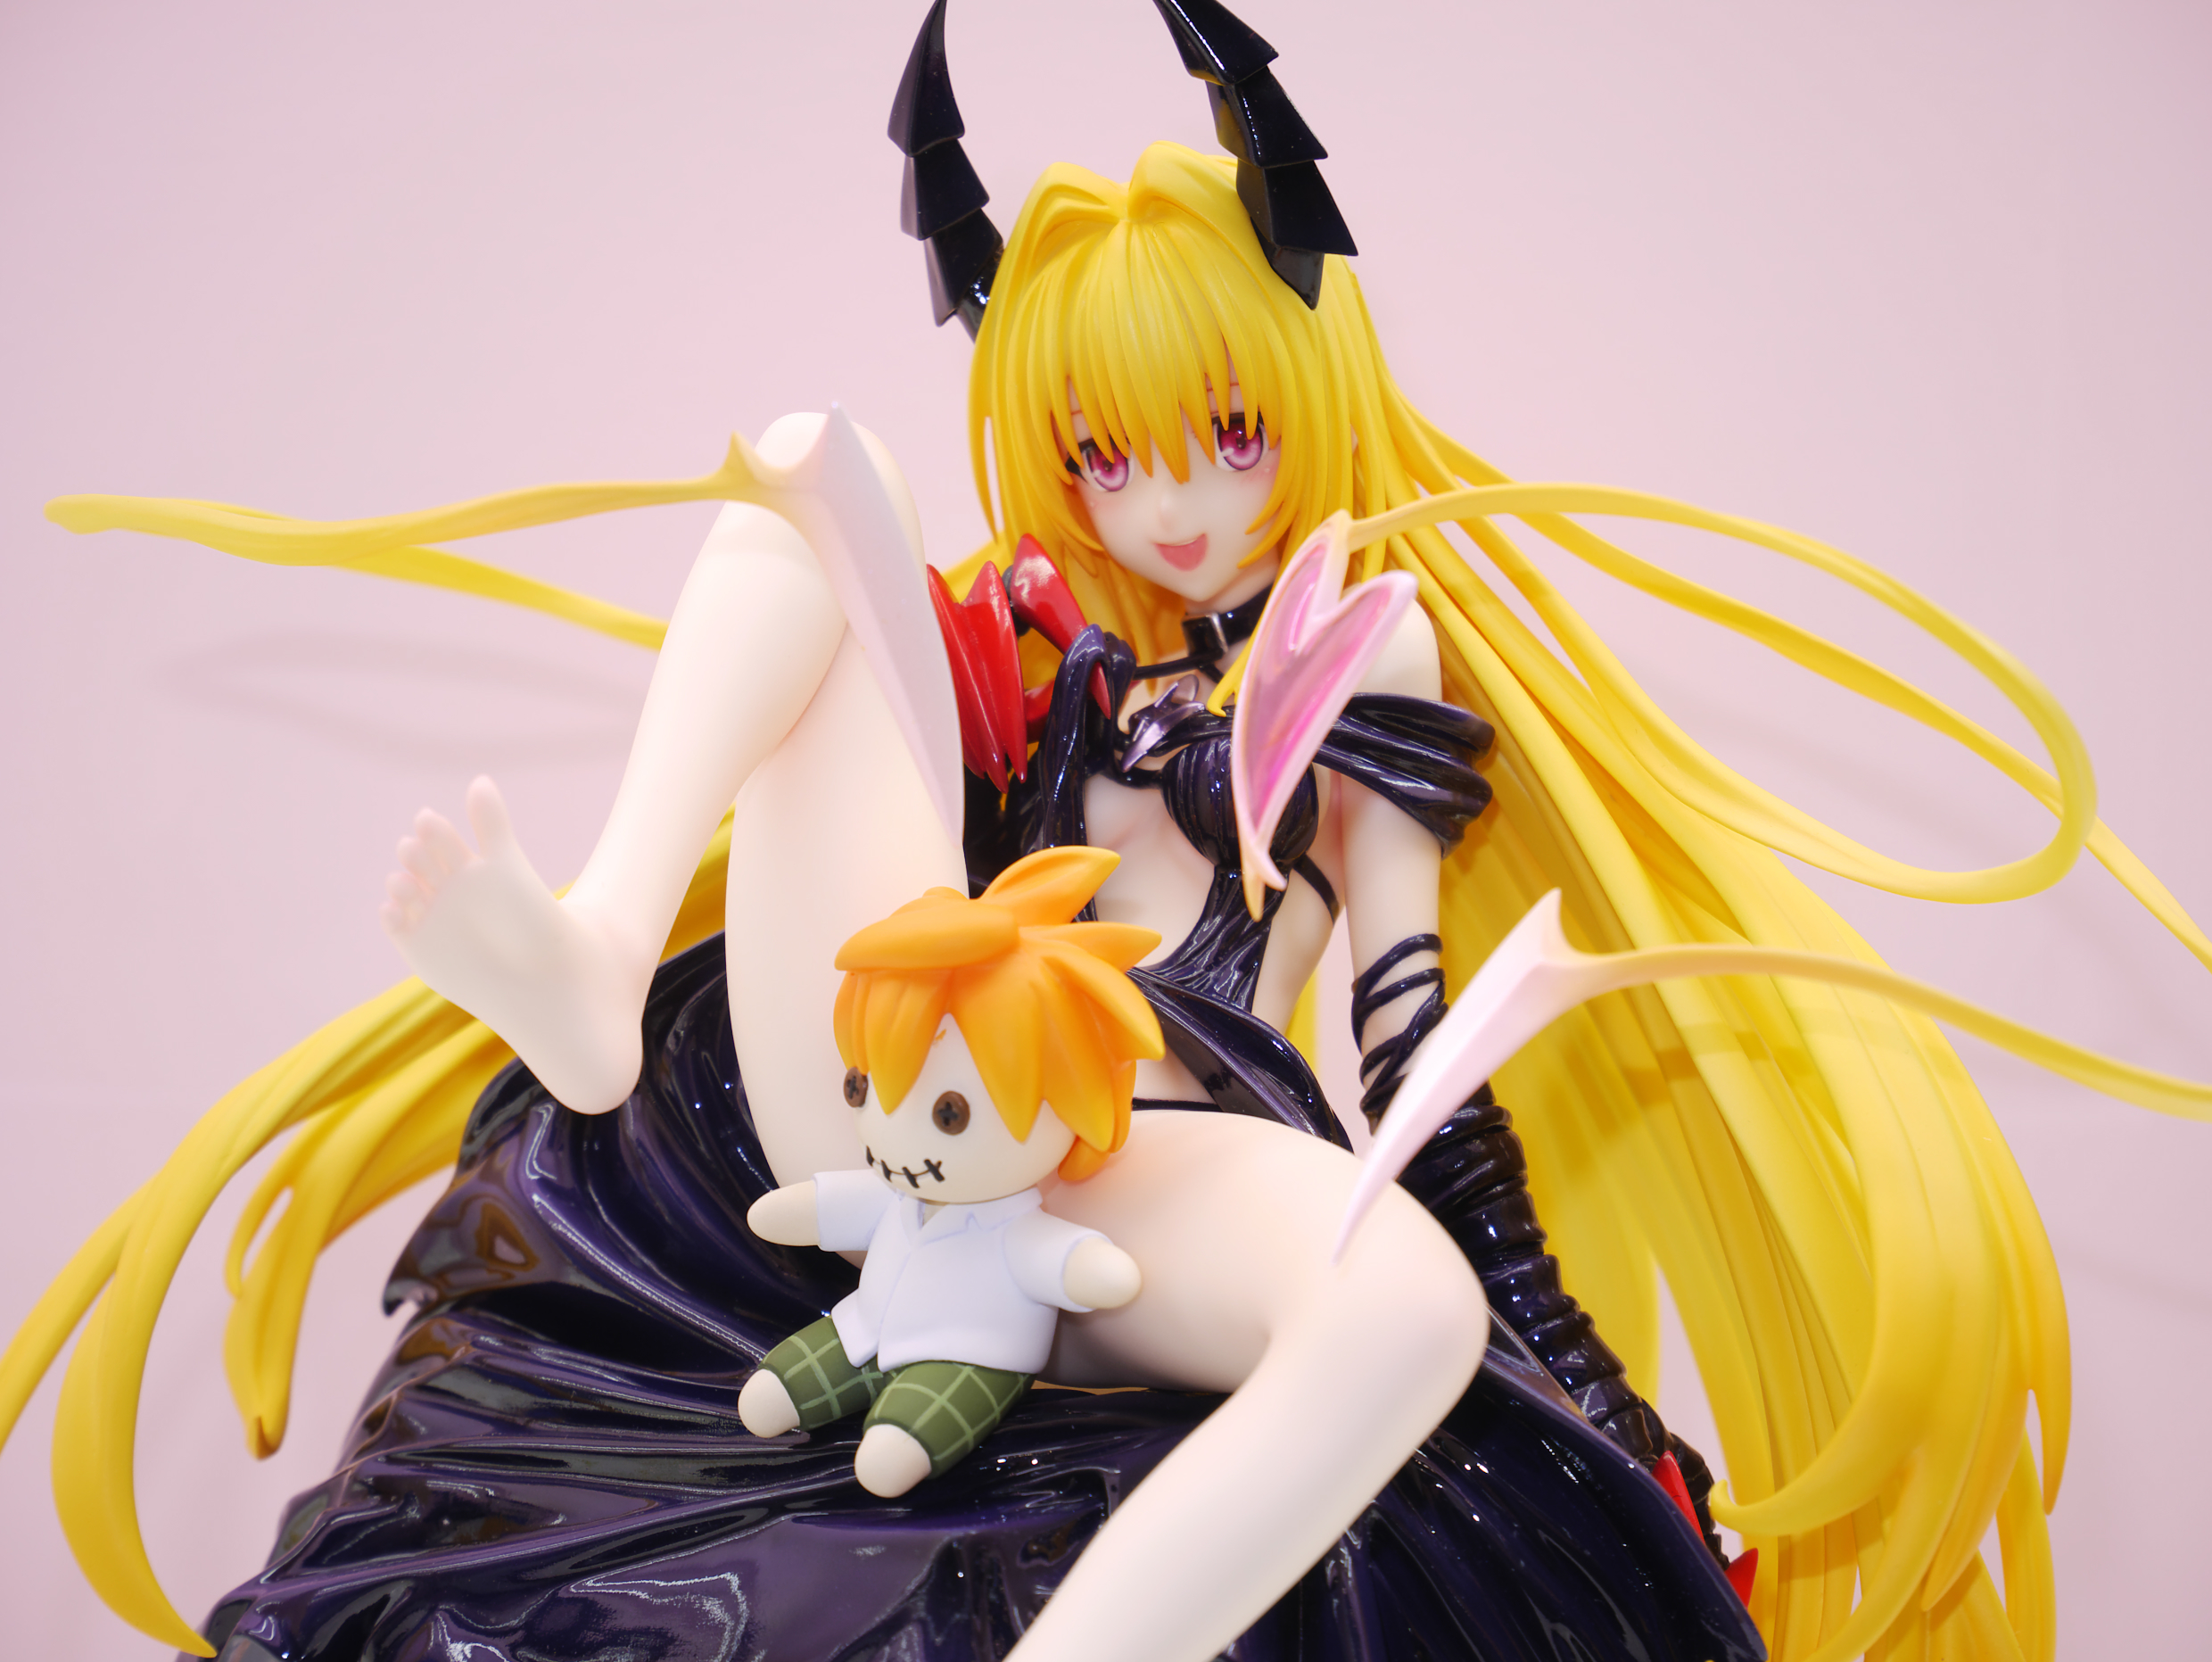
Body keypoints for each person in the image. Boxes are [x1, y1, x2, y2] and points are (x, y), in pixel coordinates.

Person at [4, 6, 2208, 1661]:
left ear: (1308, 395)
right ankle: (588, 946)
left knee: (1404, 1306)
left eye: (1224, 430)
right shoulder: (1016, 643)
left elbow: (1417, 1032)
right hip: (899, 1080)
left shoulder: (1361, 646)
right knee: (803, 464)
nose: (1171, 502)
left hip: (1150, 1153)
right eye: (1106, 451)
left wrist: (1571, 1373)